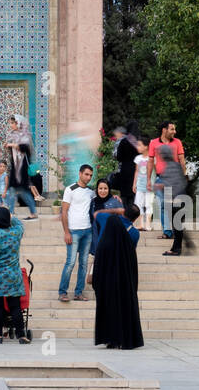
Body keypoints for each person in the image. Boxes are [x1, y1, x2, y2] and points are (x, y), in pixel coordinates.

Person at [92, 213, 144, 350]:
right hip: (125, 289)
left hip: (107, 289)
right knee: (124, 313)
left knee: (109, 313)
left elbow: (97, 269)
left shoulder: (103, 245)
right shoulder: (127, 245)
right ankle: (125, 339)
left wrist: (97, 286)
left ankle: (111, 339)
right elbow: (134, 269)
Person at [0, 205, 30, 344]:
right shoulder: (15, 233)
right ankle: (22, 335)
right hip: (12, 276)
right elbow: (20, 224)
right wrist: (11, 215)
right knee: (15, 306)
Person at [60, 164, 95, 303]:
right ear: (80, 173)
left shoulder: (91, 191)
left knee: (83, 263)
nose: (89, 177)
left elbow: (103, 195)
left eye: (91, 175)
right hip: (73, 231)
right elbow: (64, 211)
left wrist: (116, 198)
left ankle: (78, 292)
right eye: (86, 174)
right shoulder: (70, 189)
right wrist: (66, 232)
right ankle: (62, 292)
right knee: (70, 262)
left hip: (88, 231)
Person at [158, 143, 193, 256]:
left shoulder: (169, 167)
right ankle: (182, 245)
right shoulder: (176, 165)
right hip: (181, 199)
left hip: (176, 200)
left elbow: (170, 184)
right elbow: (181, 182)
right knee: (177, 225)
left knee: (177, 226)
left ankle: (176, 249)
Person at [4, 115, 38, 217]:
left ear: (18, 123)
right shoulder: (13, 135)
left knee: (22, 191)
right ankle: (12, 212)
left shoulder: (25, 135)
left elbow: (25, 148)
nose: (11, 125)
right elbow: (13, 151)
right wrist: (8, 146)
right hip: (15, 167)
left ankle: (28, 212)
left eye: (13, 123)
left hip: (22, 168)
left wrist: (12, 145)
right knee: (15, 190)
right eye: (10, 123)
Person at [110, 127, 138, 207]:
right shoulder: (136, 141)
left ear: (120, 133)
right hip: (135, 169)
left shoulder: (121, 141)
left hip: (123, 169)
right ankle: (133, 212)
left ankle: (125, 212)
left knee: (124, 194)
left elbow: (116, 156)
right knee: (133, 193)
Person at [132, 138, 152, 231]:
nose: (137, 147)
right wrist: (134, 184)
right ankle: (141, 224)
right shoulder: (138, 158)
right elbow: (136, 171)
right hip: (140, 185)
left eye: (139, 145)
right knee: (138, 204)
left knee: (148, 204)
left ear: (146, 146)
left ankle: (148, 224)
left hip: (149, 186)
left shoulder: (152, 158)